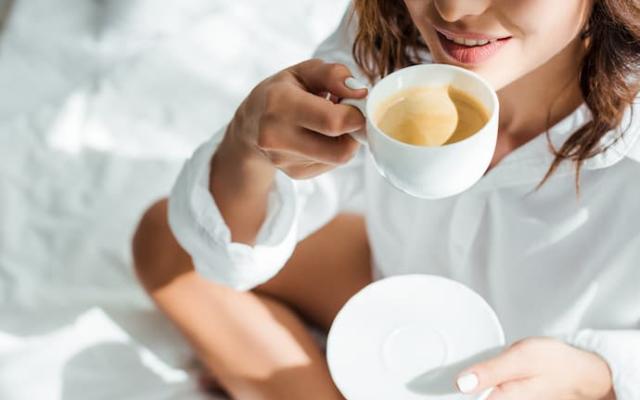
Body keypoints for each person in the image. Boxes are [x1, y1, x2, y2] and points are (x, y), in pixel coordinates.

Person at [133, 0, 640, 399]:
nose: (452, 10)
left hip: (551, 373)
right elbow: (227, 252)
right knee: (168, 243)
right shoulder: (389, 30)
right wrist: (249, 149)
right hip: (399, 287)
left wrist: (598, 374)